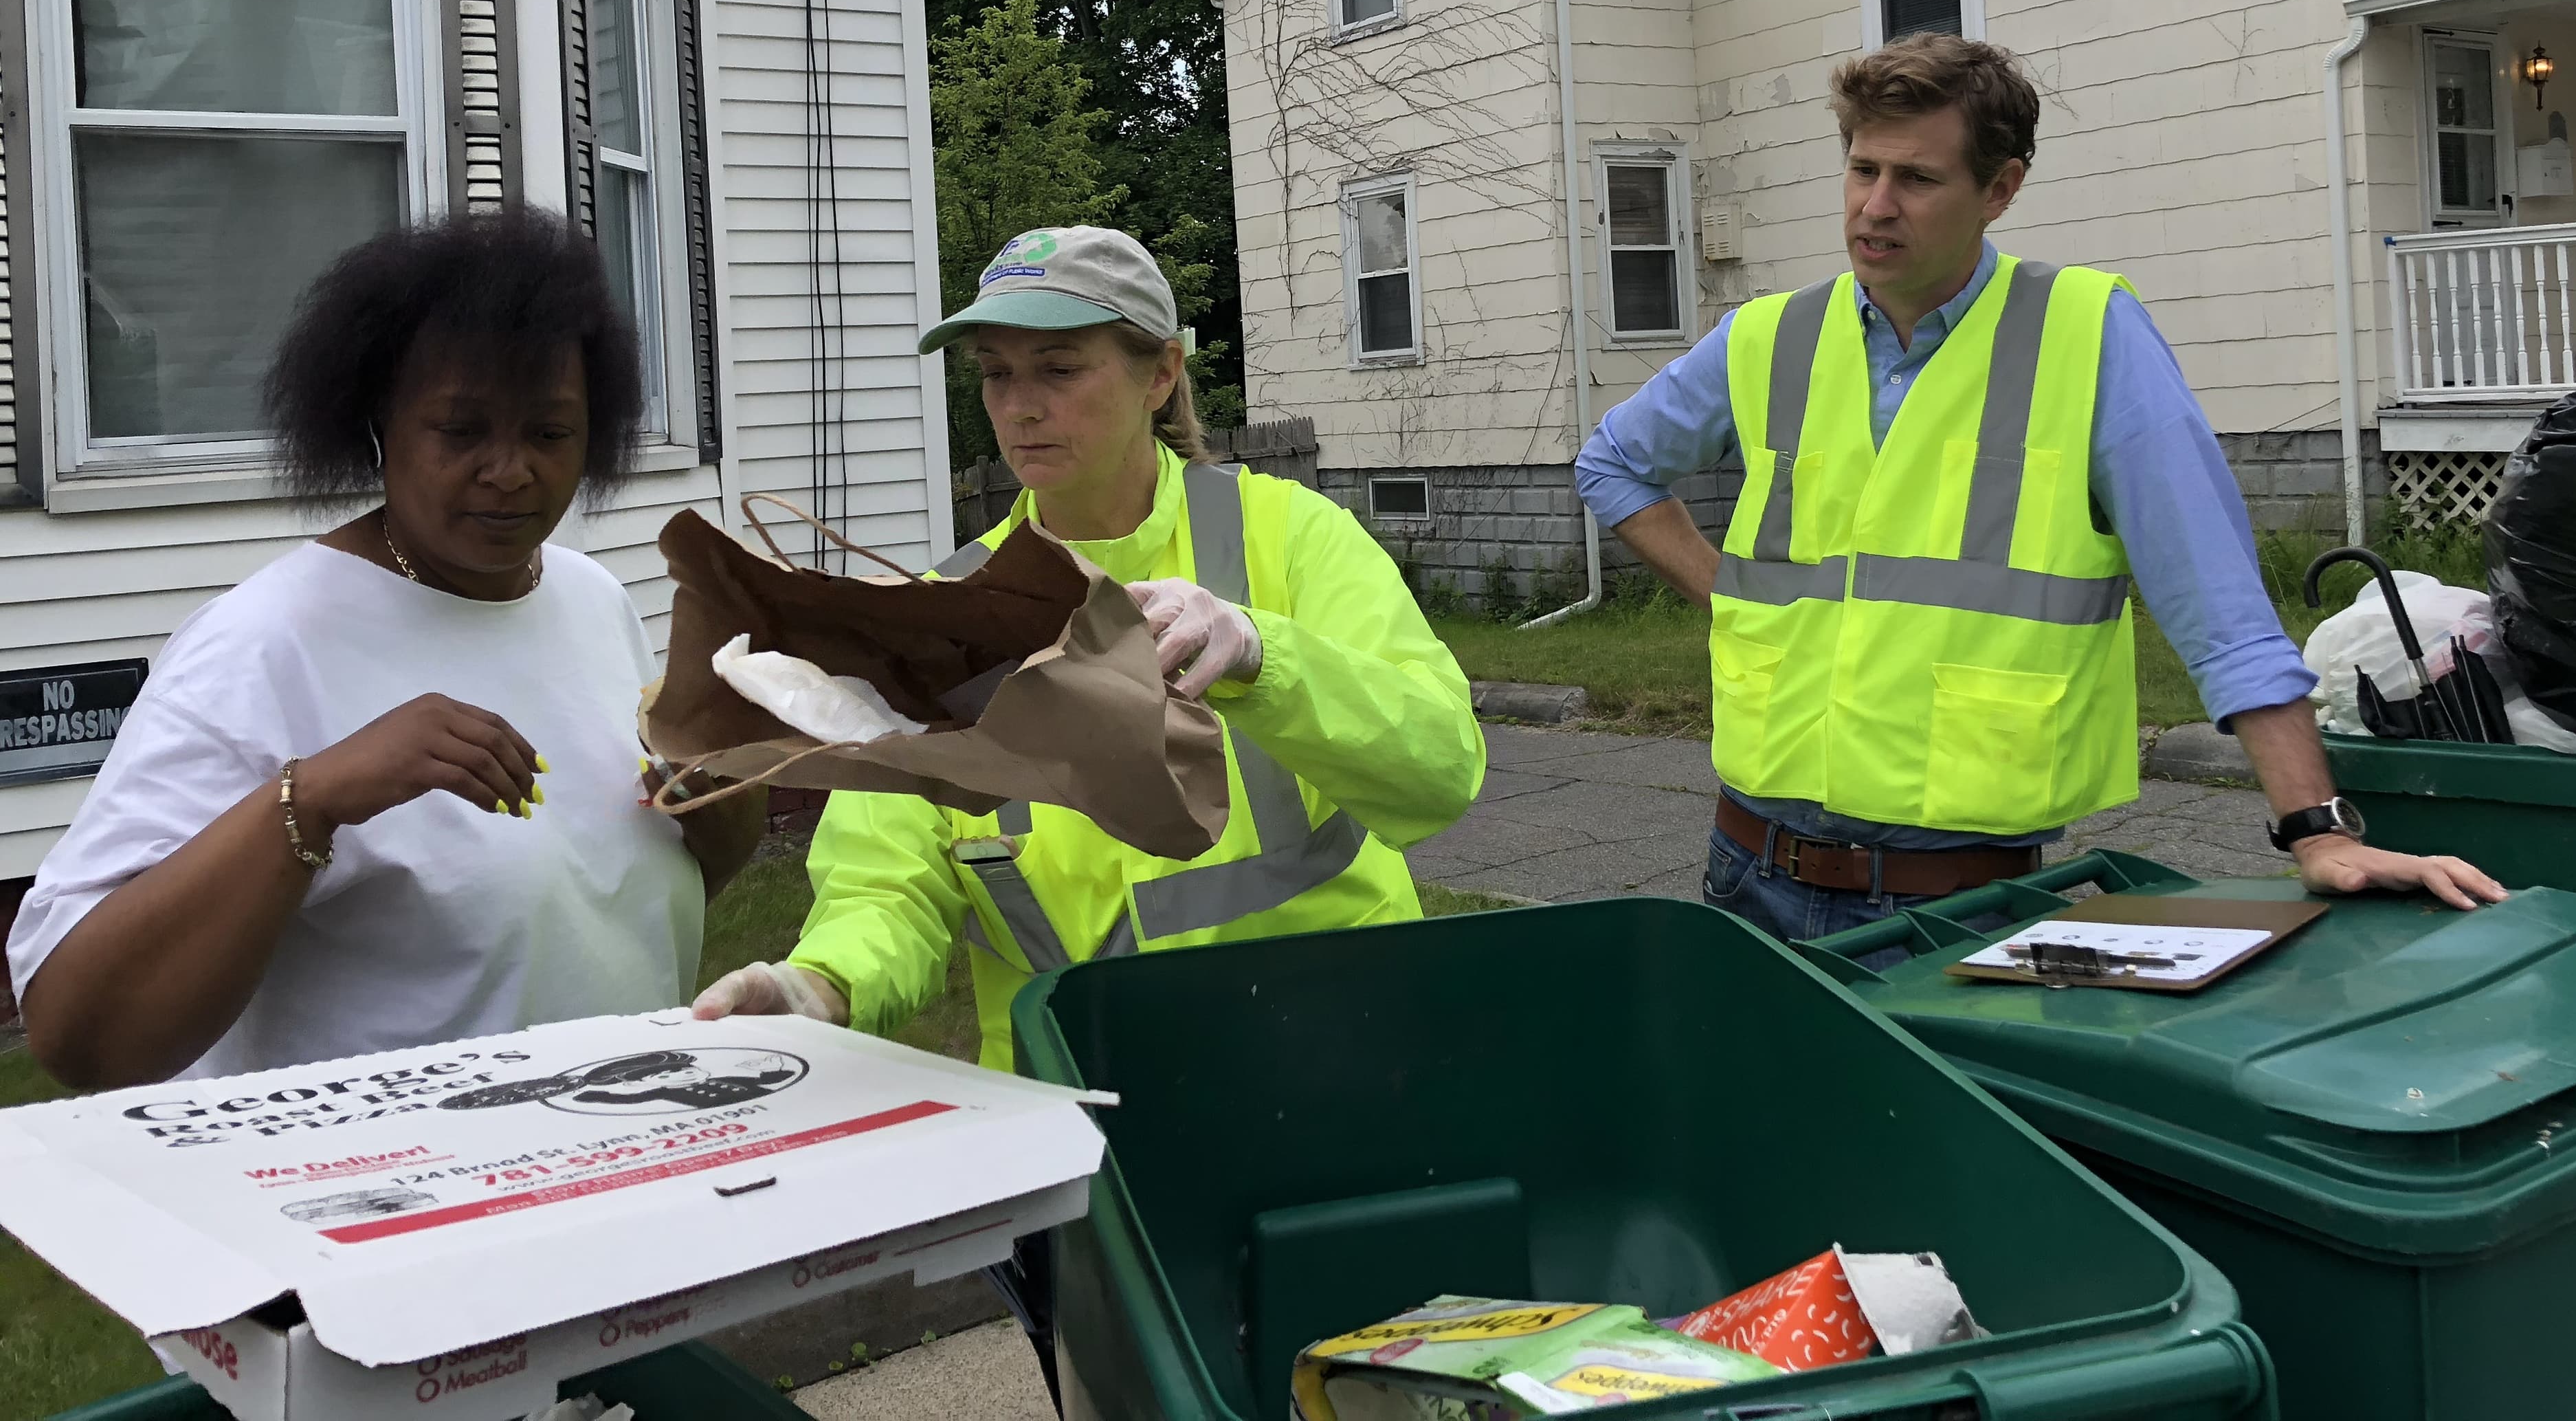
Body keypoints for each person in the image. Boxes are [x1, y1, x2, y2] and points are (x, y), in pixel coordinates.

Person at [693, 223, 1485, 1400]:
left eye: (1059, 369)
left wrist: (1270, 661)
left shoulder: (1288, 541)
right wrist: (820, 987)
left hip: (1330, 1096)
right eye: (997, 374)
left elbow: (1439, 770)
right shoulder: (940, 621)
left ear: (1161, 373)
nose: (1021, 407)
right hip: (1082, 1137)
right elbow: (891, 886)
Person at [1578, 34, 2506, 942]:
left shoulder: (2087, 336)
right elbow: (1611, 464)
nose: (1877, 207)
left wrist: (2317, 830)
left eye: (1918, 179)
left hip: (1954, 903)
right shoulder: (1769, 337)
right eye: (1863, 170)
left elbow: (2220, 610)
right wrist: (1731, 598)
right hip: (1749, 872)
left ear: (2001, 190)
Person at [9, 210, 764, 1088]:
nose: (511, 470)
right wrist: (314, 798)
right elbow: (76, 1032)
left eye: (549, 433)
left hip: (609, 1162)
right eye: (461, 431)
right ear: (377, 421)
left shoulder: (590, 601)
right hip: (371, 1204)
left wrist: (725, 808)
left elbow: (605, 904)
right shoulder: (265, 642)